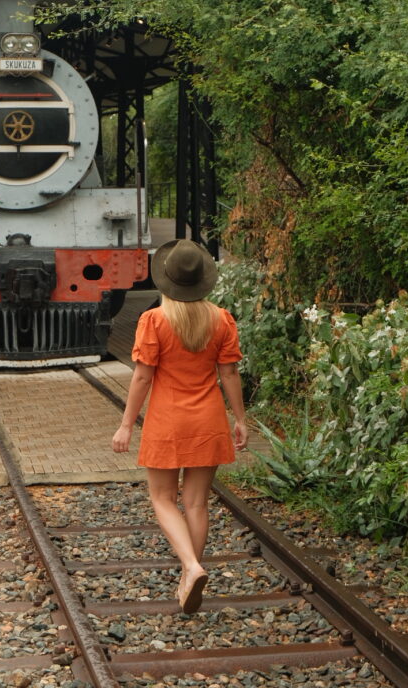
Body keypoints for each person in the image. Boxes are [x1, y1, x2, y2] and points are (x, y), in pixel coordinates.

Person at [112, 238, 249, 614]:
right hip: (209, 419)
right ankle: (191, 575)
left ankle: (190, 567)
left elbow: (142, 378)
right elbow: (230, 372)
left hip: (167, 421)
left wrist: (126, 425)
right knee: (196, 503)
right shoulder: (221, 319)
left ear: (166, 280)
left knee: (162, 499)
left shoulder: (154, 320)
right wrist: (240, 419)